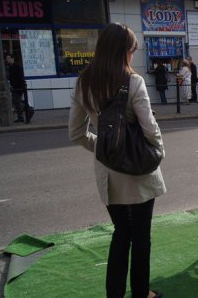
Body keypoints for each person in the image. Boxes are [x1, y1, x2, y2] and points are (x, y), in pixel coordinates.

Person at [68, 23, 164, 298]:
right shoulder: (133, 82)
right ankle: (141, 293)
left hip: (108, 173)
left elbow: (75, 133)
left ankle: (115, 295)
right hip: (139, 168)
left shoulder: (84, 82)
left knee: (122, 233)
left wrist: (103, 146)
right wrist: (159, 152)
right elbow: (150, 128)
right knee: (141, 236)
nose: (133, 56)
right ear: (124, 52)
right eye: (132, 51)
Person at [5, 53, 34, 123]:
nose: (7, 60)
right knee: (16, 102)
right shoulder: (10, 67)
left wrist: (21, 87)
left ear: (12, 59)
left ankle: (29, 110)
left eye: (8, 58)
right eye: (7, 58)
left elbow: (20, 77)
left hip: (18, 87)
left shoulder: (17, 66)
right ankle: (22, 115)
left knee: (16, 102)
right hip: (15, 87)